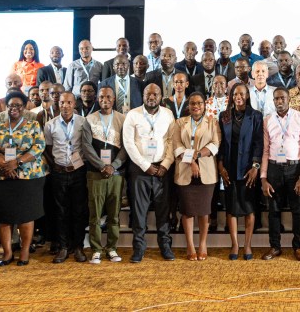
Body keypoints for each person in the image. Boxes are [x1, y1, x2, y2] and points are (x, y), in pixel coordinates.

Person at [0, 90, 48, 267]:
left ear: (24, 107)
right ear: (5, 106)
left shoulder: (33, 124)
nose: (14, 108)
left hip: (27, 175)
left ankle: (25, 251)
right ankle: (7, 252)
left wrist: (16, 162)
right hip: (0, 174)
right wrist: (5, 165)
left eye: (18, 105)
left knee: (26, 215)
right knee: (4, 216)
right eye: (11, 105)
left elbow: (39, 147)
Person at [122, 84, 175, 263]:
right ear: (143, 95)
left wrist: (166, 164)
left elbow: (171, 141)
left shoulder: (168, 114)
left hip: (162, 169)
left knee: (163, 210)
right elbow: (128, 143)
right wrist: (145, 165)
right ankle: (138, 248)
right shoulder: (133, 114)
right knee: (139, 211)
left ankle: (165, 246)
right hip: (140, 170)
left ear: (161, 96)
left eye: (155, 94)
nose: (151, 96)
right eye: (148, 93)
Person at [164, 92, 220, 260]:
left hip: (207, 173)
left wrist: (197, 156)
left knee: (204, 211)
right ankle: (190, 245)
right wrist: (192, 162)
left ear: (205, 105)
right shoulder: (180, 122)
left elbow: (215, 145)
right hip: (185, 171)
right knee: (187, 211)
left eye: (200, 103)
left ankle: (202, 244)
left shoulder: (212, 122)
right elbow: (177, 146)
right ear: (188, 106)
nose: (196, 106)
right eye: (193, 103)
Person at [260, 88, 300, 261]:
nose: (279, 101)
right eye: (276, 99)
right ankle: (275, 246)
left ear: (289, 99)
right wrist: (264, 178)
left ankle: (298, 247)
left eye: (282, 98)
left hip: (295, 169)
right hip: (274, 169)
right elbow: (265, 151)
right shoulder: (268, 120)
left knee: (298, 210)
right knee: (273, 210)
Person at [217, 84, 264, 261]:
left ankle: (247, 244)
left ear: (247, 96)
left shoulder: (256, 116)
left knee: (249, 206)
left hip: (248, 169)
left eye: (242, 93)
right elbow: (221, 143)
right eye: (235, 93)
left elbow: (259, 144)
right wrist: (220, 166)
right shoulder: (224, 116)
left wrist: (255, 167)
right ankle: (235, 243)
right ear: (231, 96)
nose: (238, 96)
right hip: (229, 167)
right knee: (232, 207)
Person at [42, 92, 89, 264]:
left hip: (78, 171)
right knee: (60, 211)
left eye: (69, 102)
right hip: (59, 172)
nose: (65, 106)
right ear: (58, 103)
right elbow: (46, 148)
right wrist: (54, 165)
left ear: (74, 103)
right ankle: (63, 247)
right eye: (62, 102)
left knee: (78, 210)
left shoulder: (83, 122)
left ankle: (78, 247)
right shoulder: (50, 125)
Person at [83, 87, 128, 264]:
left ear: (114, 98)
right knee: (95, 214)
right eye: (101, 97)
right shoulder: (90, 119)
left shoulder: (122, 119)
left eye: (108, 97)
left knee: (114, 214)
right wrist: (102, 166)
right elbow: (86, 147)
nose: (105, 100)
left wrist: (114, 165)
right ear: (97, 98)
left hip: (116, 174)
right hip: (96, 174)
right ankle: (95, 249)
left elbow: (126, 146)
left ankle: (112, 248)